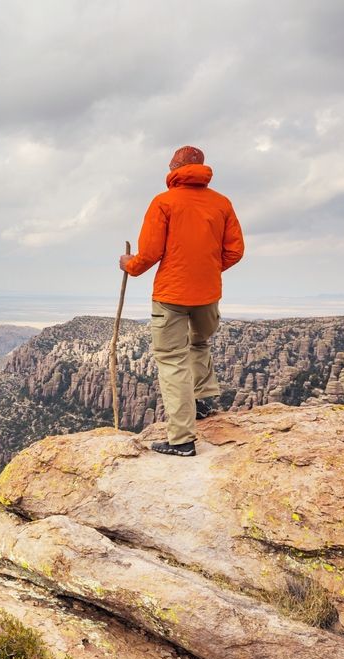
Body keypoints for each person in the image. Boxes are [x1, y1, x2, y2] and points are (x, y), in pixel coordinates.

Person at [119, 146, 244, 457]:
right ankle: (203, 403)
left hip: (171, 296)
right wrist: (208, 269)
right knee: (199, 344)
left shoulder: (164, 203)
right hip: (208, 294)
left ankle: (182, 440)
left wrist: (128, 264)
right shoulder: (221, 203)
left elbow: (148, 254)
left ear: (174, 168)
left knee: (172, 361)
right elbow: (235, 251)